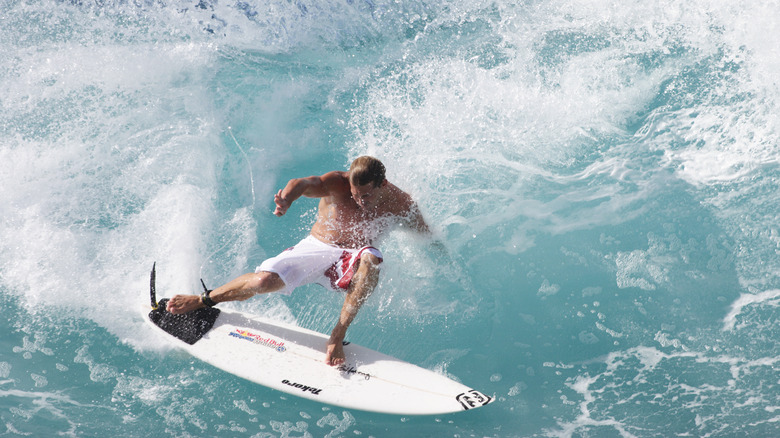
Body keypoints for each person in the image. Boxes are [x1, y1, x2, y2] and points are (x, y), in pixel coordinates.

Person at [166, 156, 432, 366]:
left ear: (382, 185)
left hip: (351, 256)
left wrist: (438, 252)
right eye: (355, 193)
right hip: (317, 247)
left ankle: (337, 335)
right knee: (264, 281)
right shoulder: (338, 182)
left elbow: (424, 233)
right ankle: (204, 300)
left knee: (371, 258)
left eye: (367, 195)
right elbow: (303, 183)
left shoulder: (399, 201)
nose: (360, 201)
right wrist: (287, 199)